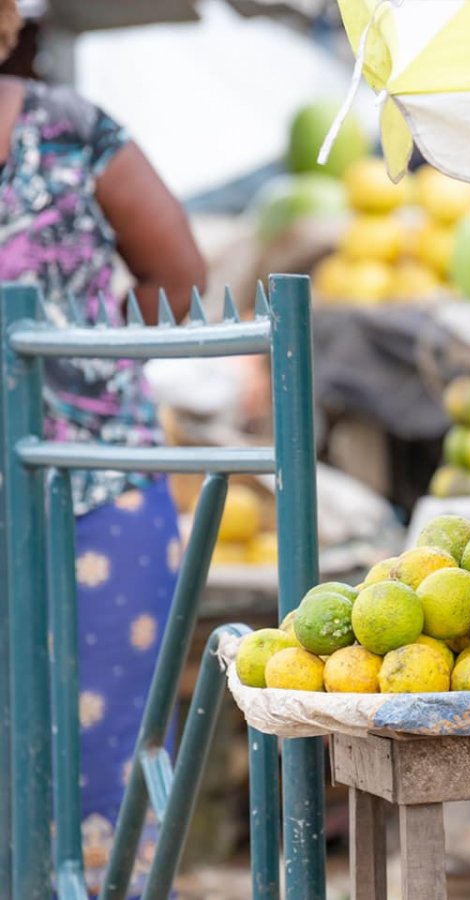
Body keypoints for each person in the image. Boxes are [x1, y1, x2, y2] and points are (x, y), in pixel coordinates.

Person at [0, 0, 205, 892]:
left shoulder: (70, 131)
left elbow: (180, 279)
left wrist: (88, 365)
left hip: (98, 488)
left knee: (106, 756)